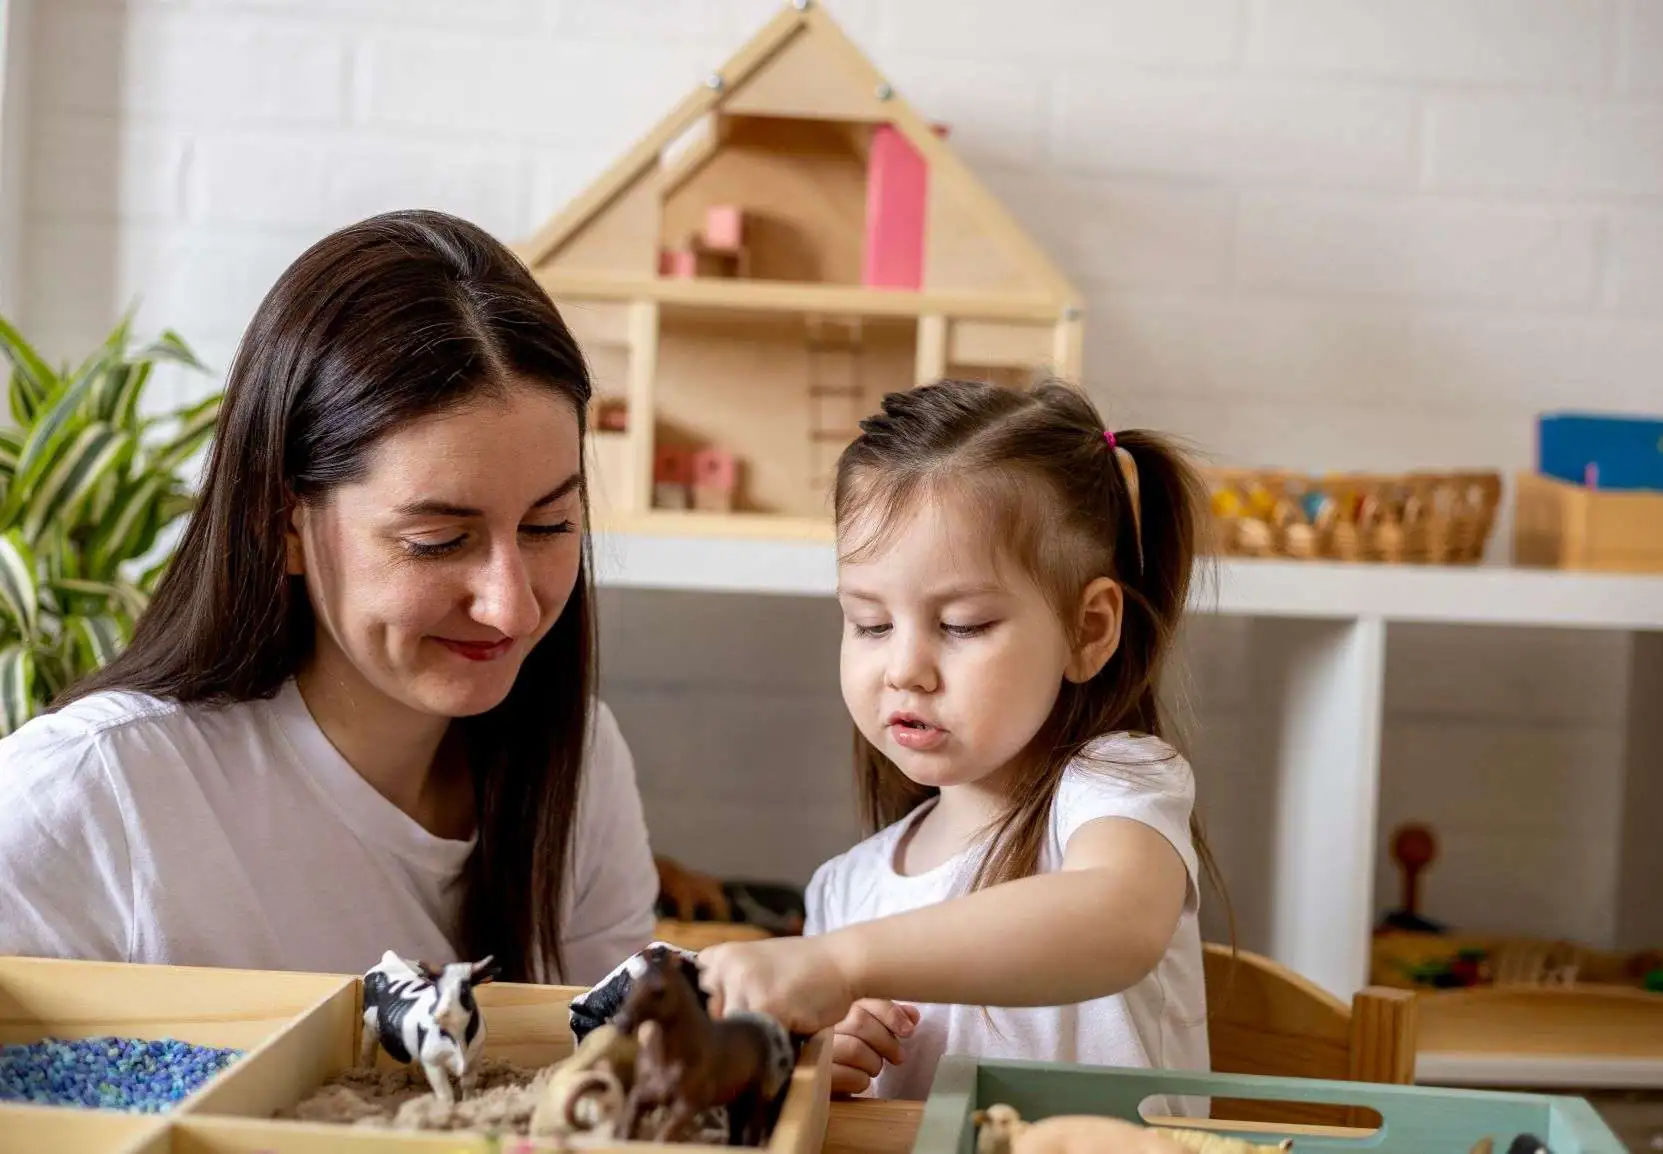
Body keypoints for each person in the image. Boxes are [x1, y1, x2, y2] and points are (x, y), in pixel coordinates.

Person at [0, 209, 659, 986]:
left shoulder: (578, 761)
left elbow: (617, 1068)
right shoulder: (89, 793)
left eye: (549, 526)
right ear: (281, 520)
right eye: (438, 541)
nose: (511, 608)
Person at [694, 378, 1229, 1115]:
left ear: (1089, 629)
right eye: (871, 624)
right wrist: (823, 1056)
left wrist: (838, 962)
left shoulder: (1116, 788)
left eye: (964, 625)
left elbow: (1118, 917)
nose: (904, 668)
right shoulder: (845, 891)